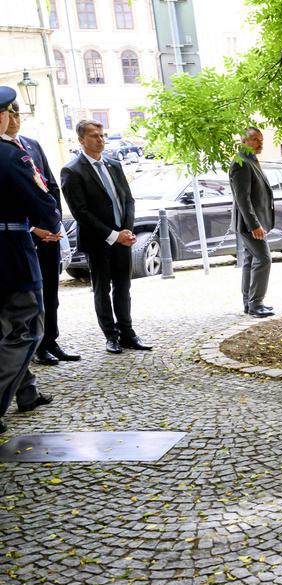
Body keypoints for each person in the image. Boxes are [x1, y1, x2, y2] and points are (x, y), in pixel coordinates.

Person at [61, 119, 152, 353]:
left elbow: (128, 200)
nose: (100, 139)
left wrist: (127, 230)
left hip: (123, 236)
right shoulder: (72, 170)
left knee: (124, 287)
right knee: (103, 289)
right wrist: (113, 235)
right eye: (94, 136)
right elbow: (80, 212)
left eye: (102, 135)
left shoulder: (113, 164)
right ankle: (110, 336)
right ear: (81, 140)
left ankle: (127, 333)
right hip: (98, 240)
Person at [0, 86, 61, 434]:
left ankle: (26, 391)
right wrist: (48, 223)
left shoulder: (22, 148)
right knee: (26, 329)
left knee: (6, 329)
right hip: (11, 250)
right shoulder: (10, 154)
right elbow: (41, 201)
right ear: (3, 115)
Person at [1, 101, 80, 364]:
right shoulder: (7, 153)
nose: (14, 119)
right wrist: (36, 227)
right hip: (22, 235)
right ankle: (33, 347)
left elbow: (50, 186)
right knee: (26, 301)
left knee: (50, 293)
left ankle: (50, 340)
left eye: (17, 113)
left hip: (48, 234)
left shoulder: (31, 145)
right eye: (9, 114)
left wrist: (54, 223)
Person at [229, 126, 275, 318]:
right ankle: (256, 303)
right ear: (244, 141)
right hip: (249, 223)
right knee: (264, 259)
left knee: (250, 260)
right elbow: (242, 198)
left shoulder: (251, 160)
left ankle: (250, 303)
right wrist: (254, 224)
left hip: (253, 222)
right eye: (255, 139)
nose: (260, 143)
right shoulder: (241, 163)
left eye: (261, 139)